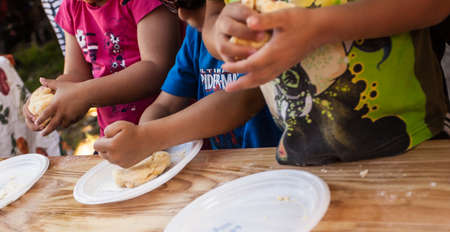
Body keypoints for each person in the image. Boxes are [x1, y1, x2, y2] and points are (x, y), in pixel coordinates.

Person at [202, 0, 450, 166]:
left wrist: (319, 27)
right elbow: (212, 16)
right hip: (300, 155)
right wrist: (219, 33)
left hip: (412, 142)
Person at [93, 0, 282, 168]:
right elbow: (164, 105)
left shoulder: (256, 32)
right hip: (226, 167)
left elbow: (243, 100)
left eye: (191, 2)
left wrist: (148, 137)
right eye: (173, 4)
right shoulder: (194, 37)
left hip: (273, 163)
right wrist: (143, 139)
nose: (182, 15)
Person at [23, 0, 181, 138]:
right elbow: (76, 74)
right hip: (114, 136)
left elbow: (156, 69)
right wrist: (47, 97)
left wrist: (83, 95)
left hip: (168, 128)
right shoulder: (72, 6)